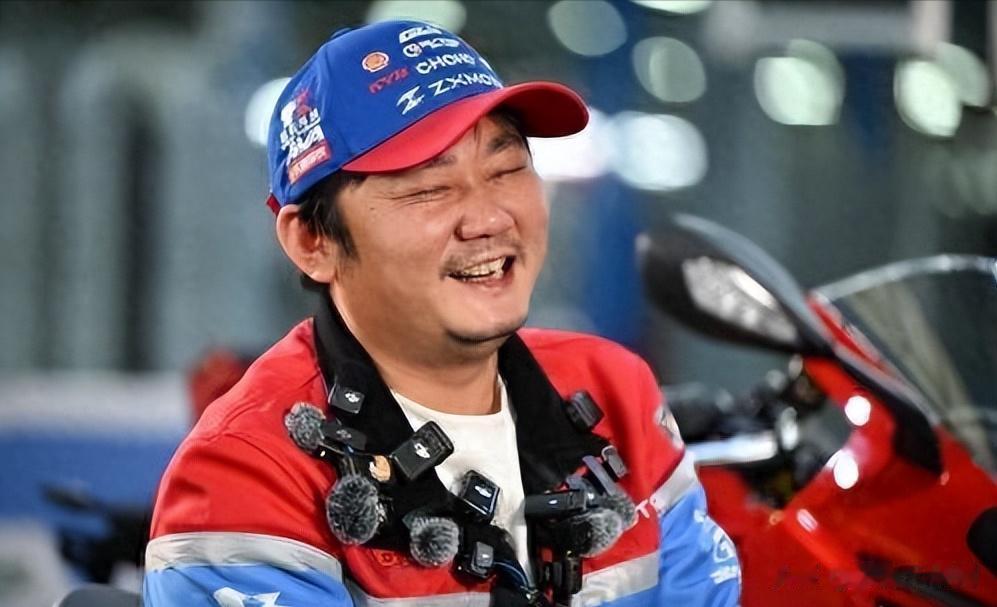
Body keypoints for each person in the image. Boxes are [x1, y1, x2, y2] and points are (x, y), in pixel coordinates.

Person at [143, 19, 740, 607]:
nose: (489, 219)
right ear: (312, 241)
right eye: (429, 188)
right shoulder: (247, 471)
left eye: (507, 169)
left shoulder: (616, 393)